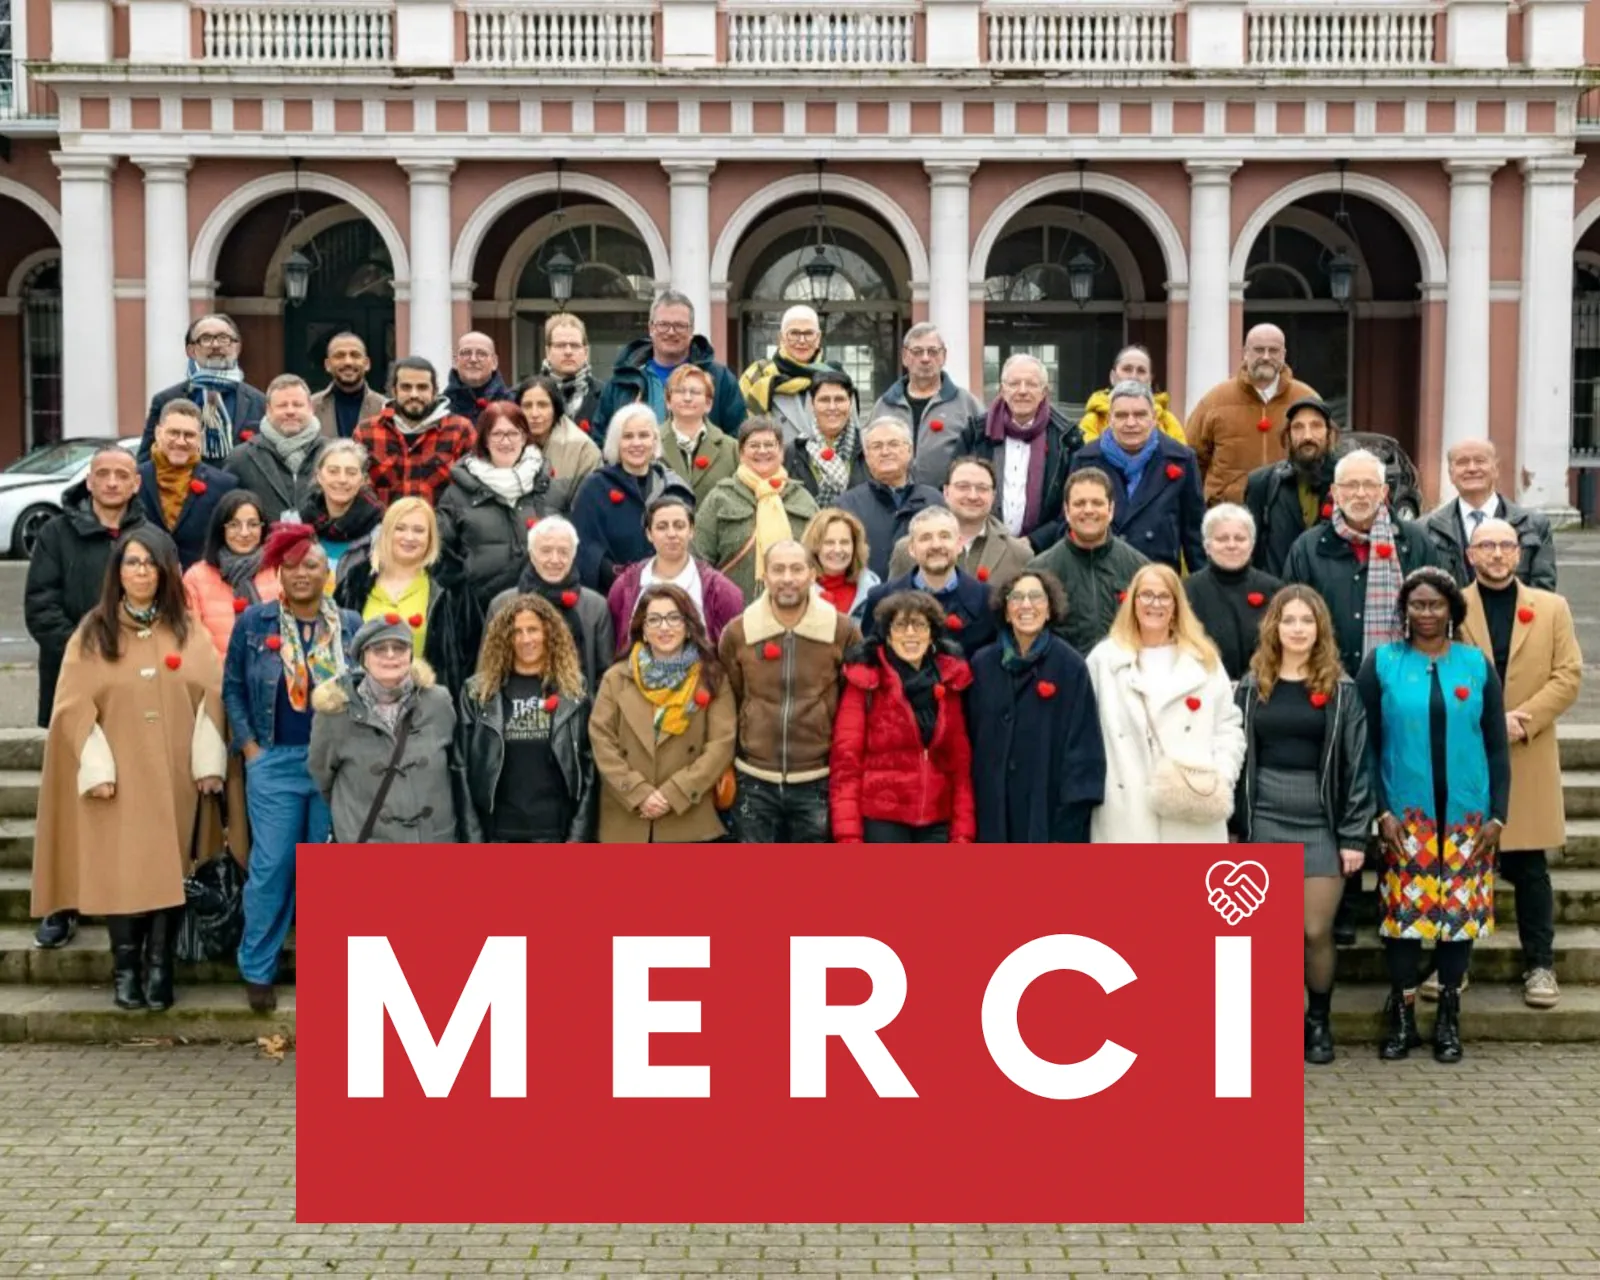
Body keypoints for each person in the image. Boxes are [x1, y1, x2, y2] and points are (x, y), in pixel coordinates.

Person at [31, 530, 227, 1009]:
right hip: (116, 780)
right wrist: (94, 765)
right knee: (123, 873)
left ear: (164, 571)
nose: (140, 571)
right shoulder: (93, 633)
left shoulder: (187, 628)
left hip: (176, 776)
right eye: (131, 562)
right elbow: (70, 706)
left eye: (150, 563)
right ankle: (125, 969)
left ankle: (160, 967)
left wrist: (209, 763)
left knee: (169, 869)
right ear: (117, 571)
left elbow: (213, 697)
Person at [1357, 567, 1510, 1064]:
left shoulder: (1475, 664)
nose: (1426, 613)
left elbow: (1496, 747)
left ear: (1452, 610)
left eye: (1435, 605)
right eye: (1417, 605)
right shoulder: (1381, 664)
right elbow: (1366, 748)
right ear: (1404, 611)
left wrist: (1497, 817)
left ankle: (1448, 1016)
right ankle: (1402, 1018)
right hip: (1406, 819)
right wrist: (1380, 811)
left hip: (1468, 821)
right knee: (1405, 921)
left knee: (1458, 923)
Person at [1233, 586, 1375, 1064]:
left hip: (1321, 822)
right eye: (1288, 620)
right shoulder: (1251, 685)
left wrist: (1355, 835)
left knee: (1314, 929)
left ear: (1320, 629)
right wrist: (1235, 824)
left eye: (1306, 621)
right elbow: (1235, 757)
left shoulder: (1343, 688)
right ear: (1274, 627)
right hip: (1264, 818)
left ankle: (1317, 1021)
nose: (1297, 629)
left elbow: (1358, 767)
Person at [223, 526, 361, 1012]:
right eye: (293, 565)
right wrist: (251, 750)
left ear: (328, 572)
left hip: (332, 766)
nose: (302, 573)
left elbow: (364, 692)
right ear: (279, 571)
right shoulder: (254, 622)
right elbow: (234, 688)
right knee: (272, 866)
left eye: (312, 565)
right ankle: (257, 968)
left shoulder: (350, 623)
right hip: (275, 761)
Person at [1456, 518, 1582, 1009]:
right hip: (1469, 750)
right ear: (1470, 554)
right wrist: (1487, 720)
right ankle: (1454, 965)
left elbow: (1568, 675)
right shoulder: (1450, 605)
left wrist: (1521, 720)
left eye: (1506, 545)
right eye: (1486, 545)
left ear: (1520, 553)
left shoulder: (1551, 608)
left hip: (1527, 750)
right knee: (1465, 866)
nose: (1497, 554)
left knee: (1530, 869)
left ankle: (1541, 966)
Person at [1085, 563, 1245, 843]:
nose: (1154, 604)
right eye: (1146, 595)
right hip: (1124, 810)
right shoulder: (1104, 660)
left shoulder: (1203, 660)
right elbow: (1083, 731)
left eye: (1164, 596)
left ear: (1176, 605)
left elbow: (1228, 726)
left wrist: (1222, 775)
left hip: (1192, 808)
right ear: (1133, 601)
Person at [719, 540, 859, 843]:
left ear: (812, 574)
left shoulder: (841, 630)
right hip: (754, 779)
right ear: (764, 576)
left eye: (797, 569)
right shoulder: (738, 632)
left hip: (817, 780)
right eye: (778, 569)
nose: (787, 578)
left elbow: (852, 701)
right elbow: (732, 695)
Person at [588, 583, 737, 843]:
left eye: (673, 618)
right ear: (643, 630)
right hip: (627, 817)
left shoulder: (712, 678)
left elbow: (721, 745)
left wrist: (675, 793)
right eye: (654, 620)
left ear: (688, 626)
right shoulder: (616, 678)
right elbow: (601, 740)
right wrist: (638, 792)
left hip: (688, 817)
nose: (664, 627)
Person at [309, 614, 475, 844]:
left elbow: (456, 769)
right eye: (379, 649)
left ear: (410, 654)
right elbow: (322, 780)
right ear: (363, 657)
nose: (390, 655)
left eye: (399, 647)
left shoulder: (438, 702)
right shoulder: (335, 714)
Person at [968, 569, 1105, 844]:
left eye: (1035, 597)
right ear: (1006, 612)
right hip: (991, 813)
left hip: (1048, 813)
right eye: (1016, 598)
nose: (1026, 605)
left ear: (1049, 609)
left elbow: (1084, 748)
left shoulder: (1070, 666)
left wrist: (1070, 819)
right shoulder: (982, 665)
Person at [25, 443, 155, 729]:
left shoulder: (153, 539)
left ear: (136, 484)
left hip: (136, 677)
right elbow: (41, 607)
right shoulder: (55, 534)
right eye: (103, 474)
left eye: (121, 475)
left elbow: (167, 607)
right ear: (89, 481)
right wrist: (85, 649)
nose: (111, 482)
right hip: (71, 672)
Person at [830, 590, 976, 844]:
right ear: (887, 635)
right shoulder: (866, 680)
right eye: (900, 625)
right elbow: (846, 764)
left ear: (932, 633)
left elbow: (960, 765)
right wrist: (848, 835)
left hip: (936, 818)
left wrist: (963, 832)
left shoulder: (950, 680)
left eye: (919, 625)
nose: (910, 633)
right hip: (881, 818)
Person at [1282, 448, 1437, 678]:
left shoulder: (1414, 542)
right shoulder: (1308, 548)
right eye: (1351, 485)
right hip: (1328, 679)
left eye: (1369, 485)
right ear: (1335, 491)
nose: (1361, 493)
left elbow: (1437, 609)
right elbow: (1290, 613)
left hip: (1406, 678)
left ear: (1384, 491)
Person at [457, 593, 596, 844]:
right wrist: (473, 838)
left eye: (533, 629)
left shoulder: (575, 692)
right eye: (516, 632)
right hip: (498, 833)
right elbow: (462, 770)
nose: (525, 639)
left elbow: (589, 772)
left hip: (555, 832)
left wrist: (578, 837)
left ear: (549, 634)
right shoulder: (477, 693)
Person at [333, 497, 476, 697]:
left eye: (419, 530)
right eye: (400, 528)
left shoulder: (453, 586)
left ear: (431, 537)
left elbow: (472, 657)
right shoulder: (355, 582)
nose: (409, 537)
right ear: (387, 532)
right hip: (362, 709)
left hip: (428, 710)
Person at [1066, 380, 1205, 572]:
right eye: (1122, 415)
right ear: (1109, 419)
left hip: (1157, 580)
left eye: (1140, 415)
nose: (1131, 423)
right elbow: (1067, 525)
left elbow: (1194, 535)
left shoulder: (1182, 459)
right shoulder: (1085, 459)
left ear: (1154, 417)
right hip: (1099, 574)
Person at [435, 402, 559, 613]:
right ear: (484, 439)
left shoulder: (550, 490)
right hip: (479, 611)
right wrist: (465, 588)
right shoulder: (457, 494)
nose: (506, 441)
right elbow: (440, 551)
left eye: (513, 433)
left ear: (524, 437)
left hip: (542, 608)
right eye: (497, 434)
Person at [1187, 323, 1319, 506]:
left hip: (1289, 510)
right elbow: (1193, 458)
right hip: (1230, 512)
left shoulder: (1306, 399)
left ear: (1283, 354)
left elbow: (1325, 455)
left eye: (1273, 350)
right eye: (1258, 350)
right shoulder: (1214, 401)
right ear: (1245, 353)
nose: (1266, 357)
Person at [956, 353, 1083, 543]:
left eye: (1031, 384)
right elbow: (956, 489)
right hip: (982, 545)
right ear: (1002, 390)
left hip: (1044, 551)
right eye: (1014, 383)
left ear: (1044, 391)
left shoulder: (1067, 438)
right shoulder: (976, 433)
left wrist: (1034, 541)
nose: (1022, 391)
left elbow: (1074, 502)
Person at [691, 417, 819, 603]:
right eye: (754, 445)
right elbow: (698, 560)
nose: (762, 451)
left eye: (769, 444)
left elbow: (819, 558)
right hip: (735, 615)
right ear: (741, 453)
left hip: (797, 611)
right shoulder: (720, 498)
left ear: (781, 452)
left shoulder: (802, 498)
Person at [570, 405, 696, 592]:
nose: (636, 443)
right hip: (614, 595)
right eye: (628, 436)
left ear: (654, 440)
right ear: (616, 442)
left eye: (644, 435)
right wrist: (622, 580)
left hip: (670, 593)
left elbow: (689, 544)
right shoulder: (595, 488)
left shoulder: (675, 489)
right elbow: (586, 548)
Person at [1025, 468, 1149, 657]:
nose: (1088, 510)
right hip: (1064, 678)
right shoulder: (1039, 571)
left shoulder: (1140, 568)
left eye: (1097, 503)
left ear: (1111, 509)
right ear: (1066, 511)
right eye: (1079, 503)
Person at [489, 516, 616, 694]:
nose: (555, 560)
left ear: (573, 555)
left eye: (563, 552)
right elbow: (488, 670)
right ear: (531, 553)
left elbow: (605, 676)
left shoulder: (595, 607)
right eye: (546, 551)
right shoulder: (502, 604)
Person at [595, 289, 746, 434]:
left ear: (691, 330)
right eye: (663, 325)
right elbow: (603, 437)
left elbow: (738, 436)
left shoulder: (719, 379)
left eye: (680, 326)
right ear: (651, 328)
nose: (671, 332)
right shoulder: (622, 382)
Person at [608, 495, 744, 652]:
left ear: (691, 531)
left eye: (679, 526)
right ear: (649, 534)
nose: (671, 534)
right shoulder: (625, 587)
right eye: (662, 527)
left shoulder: (720, 591)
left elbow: (732, 654)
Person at [861, 506, 997, 660]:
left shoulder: (988, 599)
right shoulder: (881, 598)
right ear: (911, 548)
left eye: (944, 536)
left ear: (959, 544)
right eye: (925, 538)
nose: (936, 545)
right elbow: (870, 660)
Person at [1425, 439, 1557, 589]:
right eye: (1462, 462)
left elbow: (1543, 589)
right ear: (1450, 473)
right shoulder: (1426, 529)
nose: (1472, 468)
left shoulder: (1534, 525)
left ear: (1495, 469)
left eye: (1480, 461)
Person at [870, 322, 986, 489]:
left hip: (946, 506)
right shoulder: (885, 406)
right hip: (891, 503)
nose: (925, 358)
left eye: (932, 351)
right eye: (917, 352)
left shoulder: (968, 406)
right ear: (904, 357)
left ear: (943, 356)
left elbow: (982, 460)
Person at [137, 313, 265, 463]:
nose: (216, 345)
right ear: (191, 351)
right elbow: (146, 459)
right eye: (206, 339)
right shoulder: (166, 399)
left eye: (224, 338)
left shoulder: (259, 401)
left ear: (237, 347)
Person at [353, 356, 477, 508]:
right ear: (394, 391)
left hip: (442, 529)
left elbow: (473, 491)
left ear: (435, 391)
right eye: (406, 387)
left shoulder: (460, 430)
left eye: (422, 387)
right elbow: (356, 489)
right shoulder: (367, 432)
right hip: (383, 529)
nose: (414, 394)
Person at [887, 456, 1032, 585]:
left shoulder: (1019, 554)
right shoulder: (908, 549)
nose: (973, 496)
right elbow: (892, 606)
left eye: (982, 488)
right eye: (963, 487)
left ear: (993, 496)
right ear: (946, 491)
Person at [834, 418, 946, 581]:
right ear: (866, 456)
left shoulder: (933, 500)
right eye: (877, 446)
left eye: (893, 444)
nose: (885, 452)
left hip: (925, 598)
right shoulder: (846, 505)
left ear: (909, 450)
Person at [1242, 397, 1341, 578]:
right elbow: (1248, 551)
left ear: (1329, 434)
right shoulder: (1262, 483)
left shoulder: (1348, 483)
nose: (1307, 436)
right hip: (1277, 596)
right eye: (1298, 427)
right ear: (1287, 436)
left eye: (1316, 426)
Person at [1183, 505, 1284, 682]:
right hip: (1203, 689)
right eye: (1222, 539)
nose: (1231, 545)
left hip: (1262, 691)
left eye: (1240, 538)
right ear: (1207, 545)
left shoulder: (1275, 590)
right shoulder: (1186, 590)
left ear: (1252, 544)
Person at [138, 399, 239, 569]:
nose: (181, 441)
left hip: (200, 587)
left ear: (200, 438)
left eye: (189, 435)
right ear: (157, 433)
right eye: (173, 433)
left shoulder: (224, 486)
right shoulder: (134, 479)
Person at [182, 489, 281, 659]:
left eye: (252, 524)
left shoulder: (278, 570)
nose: (244, 533)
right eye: (234, 525)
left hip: (274, 675)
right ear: (221, 528)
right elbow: (191, 637)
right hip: (218, 678)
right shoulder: (196, 577)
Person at [222, 374, 326, 524]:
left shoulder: (332, 455)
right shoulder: (240, 459)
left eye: (297, 405)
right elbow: (226, 515)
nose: (290, 411)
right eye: (282, 405)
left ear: (311, 408)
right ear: (268, 410)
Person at [738, 304, 841, 442]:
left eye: (808, 334)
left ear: (818, 338)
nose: (802, 341)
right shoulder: (757, 375)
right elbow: (740, 429)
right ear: (781, 338)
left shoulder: (836, 376)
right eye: (794, 333)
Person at [784, 369, 869, 505]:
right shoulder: (793, 451)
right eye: (824, 400)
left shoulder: (869, 448)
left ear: (850, 402)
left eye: (839, 399)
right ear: (812, 404)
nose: (832, 407)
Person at [659, 363, 741, 503]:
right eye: (679, 391)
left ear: (708, 404)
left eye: (695, 392)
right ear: (668, 401)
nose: (687, 398)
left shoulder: (732, 449)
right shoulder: (651, 444)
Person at [302, 439, 384, 578]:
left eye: (351, 473)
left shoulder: (379, 532)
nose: (342, 479)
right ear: (319, 477)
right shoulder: (302, 527)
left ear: (363, 480)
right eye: (333, 471)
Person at [515, 374, 603, 505]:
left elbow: (588, 507)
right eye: (527, 406)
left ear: (555, 409)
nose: (534, 414)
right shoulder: (507, 444)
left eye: (543, 405)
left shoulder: (583, 450)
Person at [1077, 344, 1186, 445]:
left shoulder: (1168, 422)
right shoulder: (1093, 421)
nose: (1134, 377)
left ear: (1150, 380)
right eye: (1127, 369)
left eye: (1141, 371)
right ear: (1113, 377)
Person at [802, 507, 881, 623]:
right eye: (829, 542)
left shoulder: (873, 591)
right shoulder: (799, 591)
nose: (838, 550)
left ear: (855, 547)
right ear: (814, 547)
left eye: (844, 542)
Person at [311, 331, 386, 439]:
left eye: (355, 355)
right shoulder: (311, 408)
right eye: (339, 356)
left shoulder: (384, 408)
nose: (348, 362)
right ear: (327, 365)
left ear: (367, 364)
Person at [541, 313, 602, 431]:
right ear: (548, 352)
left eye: (574, 345)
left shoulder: (607, 396)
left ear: (586, 352)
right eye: (560, 345)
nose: (568, 351)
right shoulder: (523, 395)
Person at [444, 331, 515, 420]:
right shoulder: (441, 407)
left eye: (481, 354)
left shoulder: (513, 404)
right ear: (455, 362)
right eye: (466, 353)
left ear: (494, 362)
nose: (473, 360)